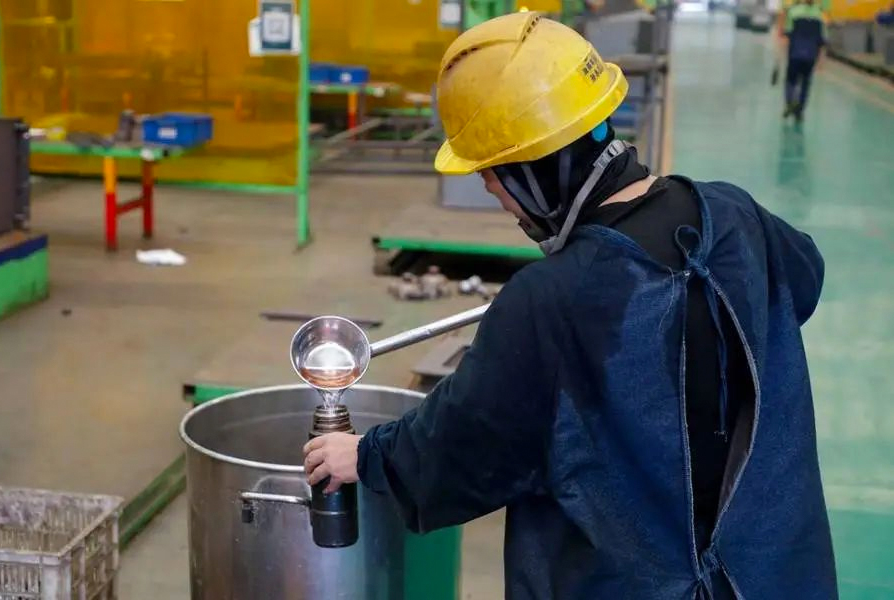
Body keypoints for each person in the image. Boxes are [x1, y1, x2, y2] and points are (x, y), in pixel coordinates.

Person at [304, 12, 837, 599]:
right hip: (776, 576)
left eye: (492, 171)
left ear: (533, 169)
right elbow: (803, 280)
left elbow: (464, 448)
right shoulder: (737, 216)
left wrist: (366, 456)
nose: (490, 188)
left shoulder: (550, 300)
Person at [783, 0, 827, 121]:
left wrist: (781, 54)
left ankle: (790, 101)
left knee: (791, 80)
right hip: (810, 56)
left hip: (795, 54)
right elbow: (822, 41)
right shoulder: (819, 15)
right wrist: (821, 60)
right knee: (805, 83)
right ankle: (800, 110)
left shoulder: (793, 12)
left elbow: (788, 34)